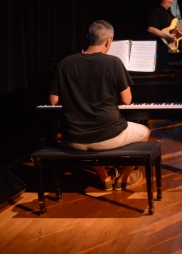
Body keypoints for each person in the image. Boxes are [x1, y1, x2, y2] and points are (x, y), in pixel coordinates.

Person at [49, 21, 151, 190]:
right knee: (145, 133)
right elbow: (127, 100)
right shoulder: (113, 62)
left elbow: (53, 100)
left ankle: (104, 178)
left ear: (88, 38)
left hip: (72, 140)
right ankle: (124, 178)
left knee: (91, 137)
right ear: (108, 41)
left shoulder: (66, 63)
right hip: (107, 137)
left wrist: (77, 98)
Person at [147, 0, 182, 70]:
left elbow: (179, 32)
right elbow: (150, 29)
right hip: (160, 50)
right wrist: (166, 36)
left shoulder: (170, 14)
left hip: (170, 50)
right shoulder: (156, 11)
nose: (172, 1)